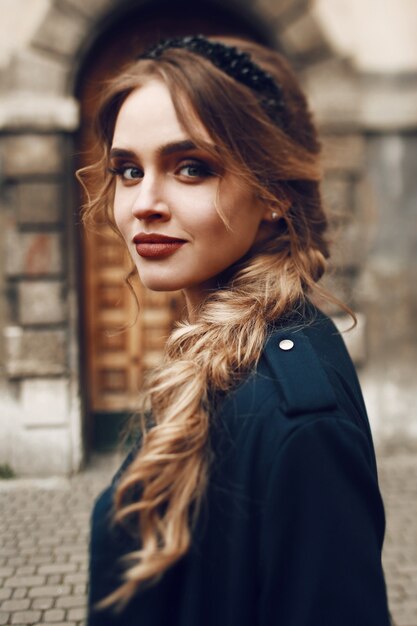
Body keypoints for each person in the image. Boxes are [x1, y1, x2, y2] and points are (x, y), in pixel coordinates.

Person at [80, 35, 392, 626]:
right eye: (127, 170)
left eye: (190, 168)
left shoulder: (296, 418)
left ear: (272, 191)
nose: (144, 202)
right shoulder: (232, 348)